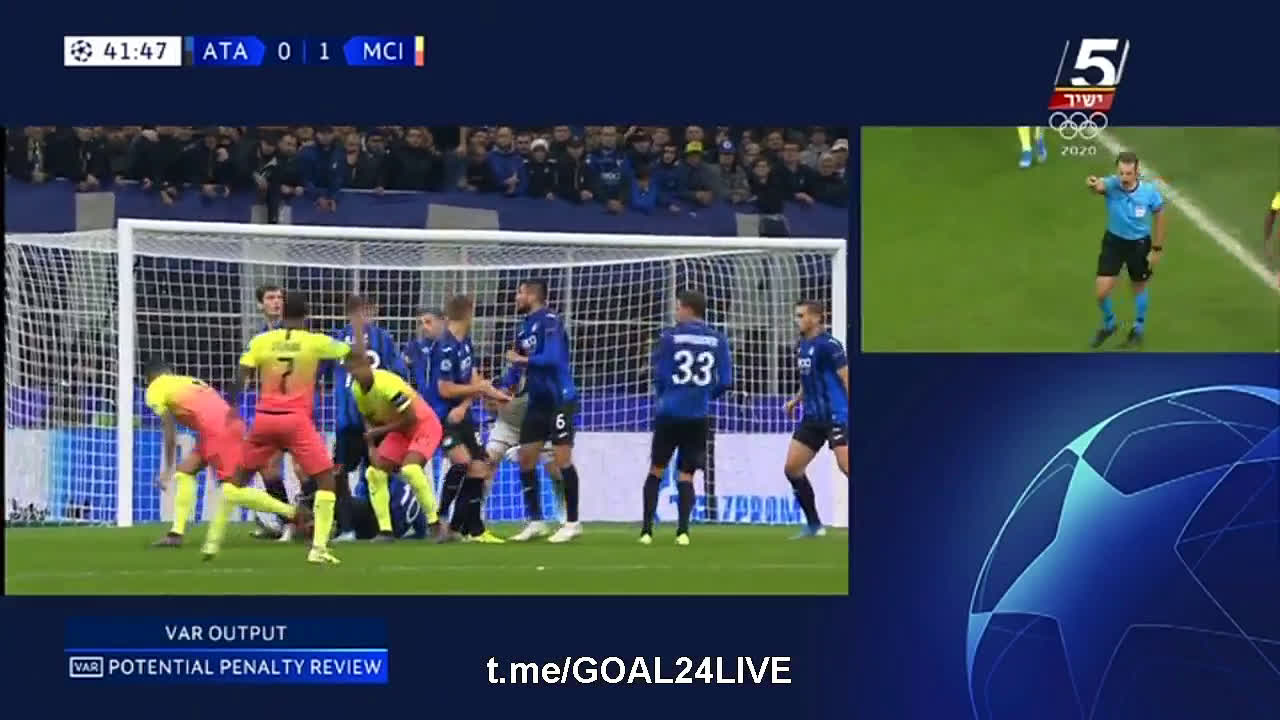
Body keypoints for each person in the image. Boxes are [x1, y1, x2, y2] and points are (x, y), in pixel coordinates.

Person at [217, 293, 351, 564]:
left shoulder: (261, 340)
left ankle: (302, 519)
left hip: (269, 417)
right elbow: (347, 353)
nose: (275, 302)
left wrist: (231, 406)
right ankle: (299, 527)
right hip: (297, 417)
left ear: (282, 311)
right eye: (270, 298)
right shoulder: (313, 340)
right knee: (290, 471)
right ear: (307, 315)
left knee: (293, 471)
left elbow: (241, 375)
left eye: (278, 299)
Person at [143, 359, 268, 547]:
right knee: (185, 472)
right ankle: (176, 534)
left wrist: (167, 468)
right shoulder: (189, 381)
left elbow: (169, 430)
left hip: (218, 431)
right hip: (227, 426)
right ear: (169, 371)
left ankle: (291, 514)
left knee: (232, 490)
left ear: (149, 378)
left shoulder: (155, 388)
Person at [641, 291, 732, 546]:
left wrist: (666, 395)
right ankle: (682, 532)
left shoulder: (669, 337)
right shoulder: (718, 340)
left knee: (656, 469)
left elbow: (659, 375)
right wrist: (704, 395)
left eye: (678, 307)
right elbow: (726, 381)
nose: (676, 311)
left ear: (689, 309)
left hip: (669, 412)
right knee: (686, 474)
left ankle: (646, 531)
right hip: (698, 415)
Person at [345, 306, 443, 540]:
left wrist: (379, 431)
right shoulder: (357, 390)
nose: (358, 373)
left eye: (360, 367)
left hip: (423, 425)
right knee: (374, 473)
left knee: (411, 469)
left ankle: (435, 524)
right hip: (400, 430)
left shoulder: (386, 383)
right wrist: (372, 447)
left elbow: (410, 418)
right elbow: (368, 418)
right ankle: (386, 530)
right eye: (353, 369)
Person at [507, 279, 583, 543]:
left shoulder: (550, 321)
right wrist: (505, 387)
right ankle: (536, 521)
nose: (516, 297)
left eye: (519, 293)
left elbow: (553, 359)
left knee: (562, 460)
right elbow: (515, 365)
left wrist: (521, 360)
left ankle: (572, 522)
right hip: (537, 401)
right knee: (526, 458)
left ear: (531, 295)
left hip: (559, 398)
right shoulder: (524, 326)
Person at [434, 294, 513, 542]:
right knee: (462, 462)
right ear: (469, 312)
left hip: (462, 414)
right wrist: (478, 390)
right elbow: (444, 389)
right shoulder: (445, 346)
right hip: (444, 416)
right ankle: (439, 517)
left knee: (480, 469)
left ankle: (463, 529)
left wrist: (496, 396)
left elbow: (474, 380)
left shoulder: (466, 342)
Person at [329, 295, 408, 541]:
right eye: (359, 311)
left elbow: (399, 375)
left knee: (376, 472)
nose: (363, 315)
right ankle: (348, 527)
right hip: (354, 421)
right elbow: (400, 373)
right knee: (340, 473)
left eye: (366, 310)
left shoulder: (377, 338)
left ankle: (385, 526)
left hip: (374, 421)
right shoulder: (375, 338)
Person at [783, 300, 849, 538]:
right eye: (797, 315)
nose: (797, 320)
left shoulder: (830, 346)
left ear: (816, 318)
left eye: (801, 316)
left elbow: (846, 378)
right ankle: (814, 525)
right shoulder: (802, 345)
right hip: (812, 418)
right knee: (792, 468)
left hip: (835, 415)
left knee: (847, 467)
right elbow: (808, 379)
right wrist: (795, 401)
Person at [1087, 151, 1166, 349]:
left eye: (1128, 173)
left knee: (1139, 286)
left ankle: (1138, 328)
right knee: (1101, 292)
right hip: (1114, 243)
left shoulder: (1148, 191)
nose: (1124, 177)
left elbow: (1159, 215)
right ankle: (1110, 323)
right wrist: (1092, 183)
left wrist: (1157, 248)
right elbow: (1099, 186)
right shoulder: (1112, 184)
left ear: (1137, 171)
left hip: (1139, 245)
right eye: (1121, 173)